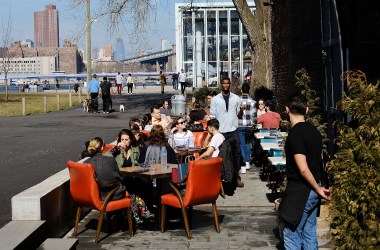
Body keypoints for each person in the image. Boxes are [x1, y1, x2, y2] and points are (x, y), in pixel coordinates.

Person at [279, 93, 331, 249]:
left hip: (301, 191)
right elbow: (320, 160)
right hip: (314, 189)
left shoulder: (295, 133)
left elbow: (302, 168)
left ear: (287, 110)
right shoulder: (315, 131)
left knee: (292, 234)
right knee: (309, 234)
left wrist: (317, 188)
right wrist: (321, 186)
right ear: (307, 110)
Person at [210, 76, 244, 187]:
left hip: (233, 128)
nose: (226, 85)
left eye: (227, 83)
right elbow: (212, 116)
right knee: (221, 154)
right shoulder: (216, 99)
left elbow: (239, 115)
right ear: (221, 84)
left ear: (230, 85)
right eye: (224, 83)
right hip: (221, 131)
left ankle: (236, 175)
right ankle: (220, 176)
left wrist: (242, 110)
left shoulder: (236, 98)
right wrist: (212, 132)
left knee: (237, 152)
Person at [237, 83, 256, 173]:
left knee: (241, 144)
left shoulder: (237, 101)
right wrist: (253, 124)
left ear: (241, 90)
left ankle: (243, 164)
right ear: (249, 91)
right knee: (247, 143)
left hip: (240, 125)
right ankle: (247, 161)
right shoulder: (252, 102)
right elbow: (253, 115)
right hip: (248, 125)